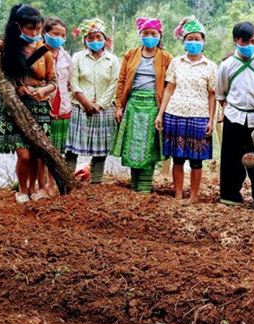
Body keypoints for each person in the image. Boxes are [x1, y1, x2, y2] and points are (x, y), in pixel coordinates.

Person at [0, 4, 56, 204]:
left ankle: (33, 188)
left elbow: (53, 81)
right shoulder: (6, 48)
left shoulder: (44, 50)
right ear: (18, 27)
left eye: (38, 29)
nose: (35, 33)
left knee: (38, 153)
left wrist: (43, 90)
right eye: (31, 28)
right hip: (15, 106)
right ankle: (21, 189)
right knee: (24, 154)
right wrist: (15, 87)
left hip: (38, 106)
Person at [216, 22, 254, 210]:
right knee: (230, 160)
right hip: (234, 117)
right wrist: (231, 111)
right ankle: (230, 197)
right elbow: (221, 94)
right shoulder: (226, 66)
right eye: (245, 41)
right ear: (236, 41)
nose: (250, 45)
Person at [155, 16, 217, 201]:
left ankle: (194, 196)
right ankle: (178, 194)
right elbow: (169, 90)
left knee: (196, 160)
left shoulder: (210, 66)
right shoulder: (176, 63)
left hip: (199, 116)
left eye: (197, 39)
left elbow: (212, 95)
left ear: (203, 42)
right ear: (184, 42)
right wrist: (161, 114)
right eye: (189, 39)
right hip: (175, 114)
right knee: (178, 157)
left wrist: (211, 120)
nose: (193, 42)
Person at [112, 17, 173, 193]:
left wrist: (163, 112)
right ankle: (134, 186)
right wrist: (118, 106)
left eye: (153, 33)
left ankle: (144, 188)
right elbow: (122, 81)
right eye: (145, 33)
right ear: (140, 35)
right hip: (132, 105)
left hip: (154, 106)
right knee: (132, 147)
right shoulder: (131, 55)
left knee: (149, 147)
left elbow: (170, 85)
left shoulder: (166, 58)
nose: (149, 37)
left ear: (159, 36)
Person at [65, 18, 120, 184]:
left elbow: (113, 84)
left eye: (98, 37)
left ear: (105, 39)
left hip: (104, 109)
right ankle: (67, 182)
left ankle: (96, 183)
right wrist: (86, 103)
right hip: (79, 107)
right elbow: (73, 81)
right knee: (71, 149)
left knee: (100, 151)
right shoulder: (78, 57)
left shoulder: (112, 60)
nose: (95, 41)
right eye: (90, 38)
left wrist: (100, 104)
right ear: (84, 40)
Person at [37, 16, 73, 198]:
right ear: (45, 33)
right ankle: (41, 185)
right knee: (43, 148)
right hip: (42, 105)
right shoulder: (37, 52)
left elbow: (68, 83)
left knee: (58, 149)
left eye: (62, 35)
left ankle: (53, 184)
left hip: (63, 106)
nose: (59, 38)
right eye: (55, 34)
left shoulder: (66, 57)